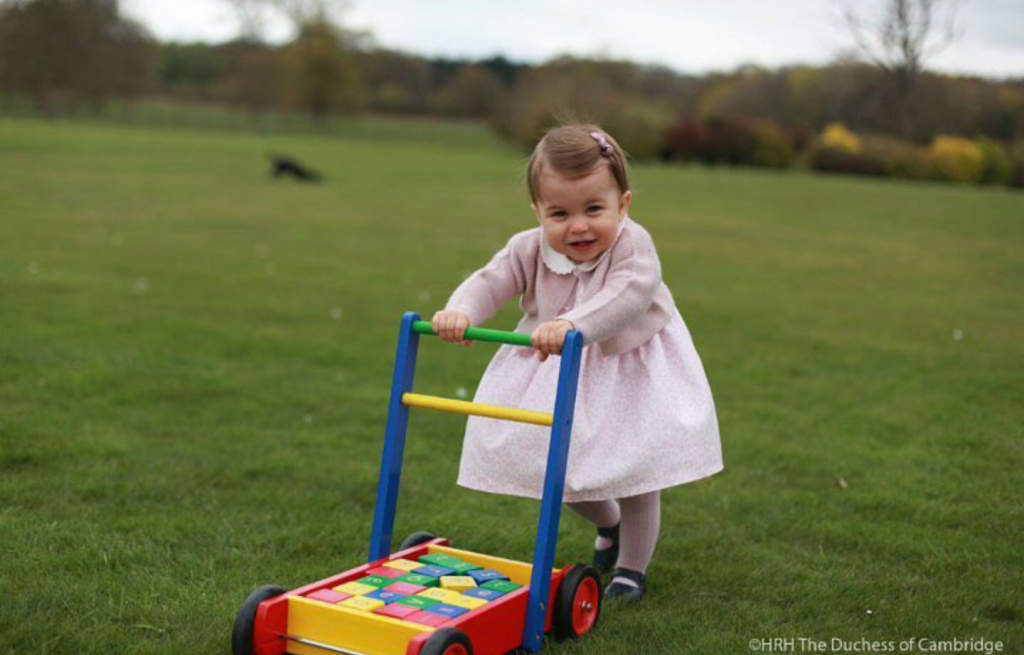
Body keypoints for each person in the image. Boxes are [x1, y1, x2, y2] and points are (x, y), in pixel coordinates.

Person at [432, 123, 723, 601]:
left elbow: (627, 295)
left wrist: (572, 324)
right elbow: (491, 279)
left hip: (630, 367)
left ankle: (631, 569)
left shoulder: (633, 245)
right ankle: (607, 523)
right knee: (559, 469)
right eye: (560, 213)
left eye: (594, 209)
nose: (579, 226)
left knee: (635, 473)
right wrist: (462, 310)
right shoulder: (529, 246)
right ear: (538, 211)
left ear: (622, 204)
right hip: (560, 365)